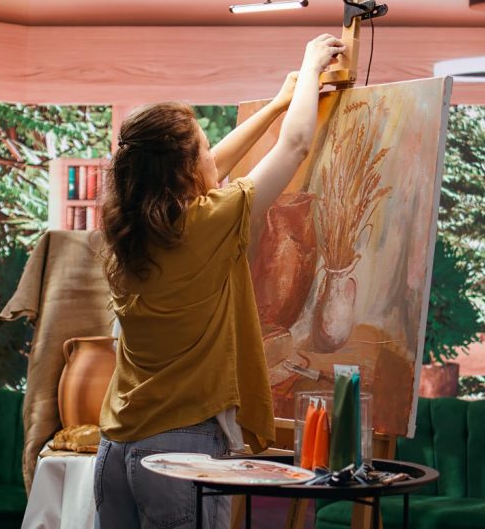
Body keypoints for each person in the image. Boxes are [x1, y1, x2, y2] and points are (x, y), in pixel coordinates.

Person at [95, 33, 346, 529]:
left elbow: (215, 169)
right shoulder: (206, 223)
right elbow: (295, 146)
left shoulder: (129, 230)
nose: (214, 158)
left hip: (116, 450)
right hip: (179, 450)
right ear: (184, 171)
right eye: (204, 150)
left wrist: (277, 104)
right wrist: (311, 64)